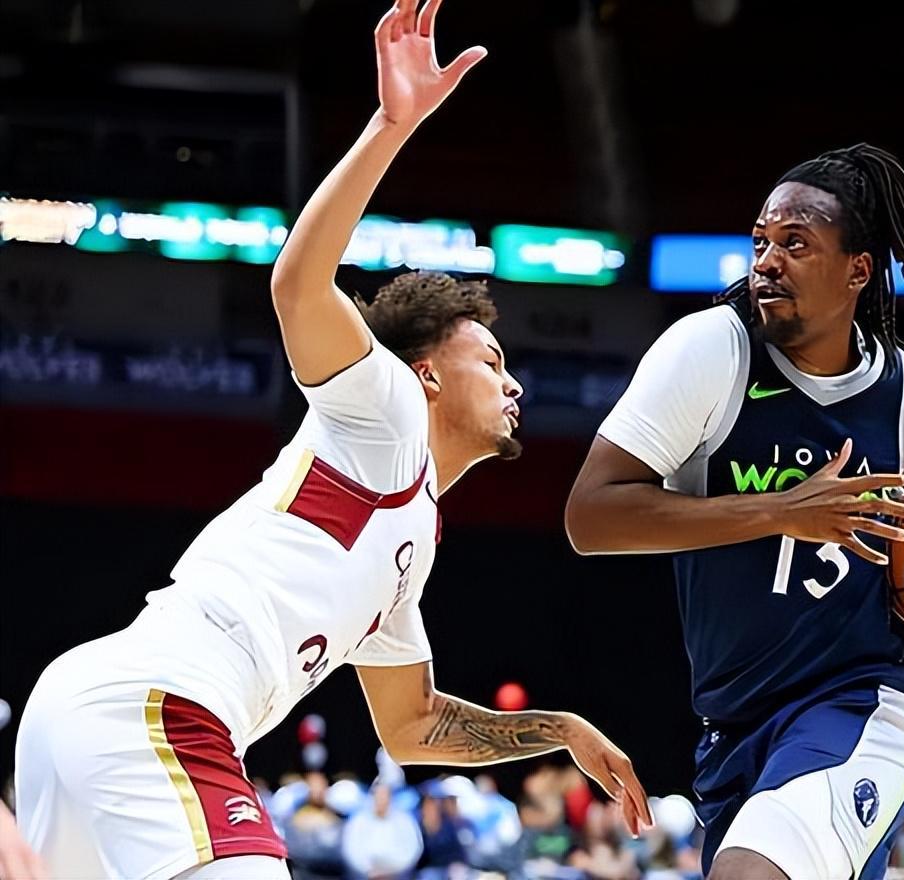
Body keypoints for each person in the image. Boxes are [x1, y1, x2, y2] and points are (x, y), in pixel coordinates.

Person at [4, 2, 649, 877]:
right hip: (161, 707)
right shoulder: (388, 413)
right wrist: (391, 126)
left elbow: (413, 726)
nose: (514, 385)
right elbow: (298, 286)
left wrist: (560, 730)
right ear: (426, 372)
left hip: (94, 707)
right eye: (492, 361)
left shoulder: (409, 535)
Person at [565, 145, 904, 878]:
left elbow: (884, 566)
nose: (767, 262)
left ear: (857, 270)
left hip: (857, 705)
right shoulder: (712, 350)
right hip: (732, 727)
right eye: (760, 242)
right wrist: (779, 511)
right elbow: (590, 517)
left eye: (796, 244)